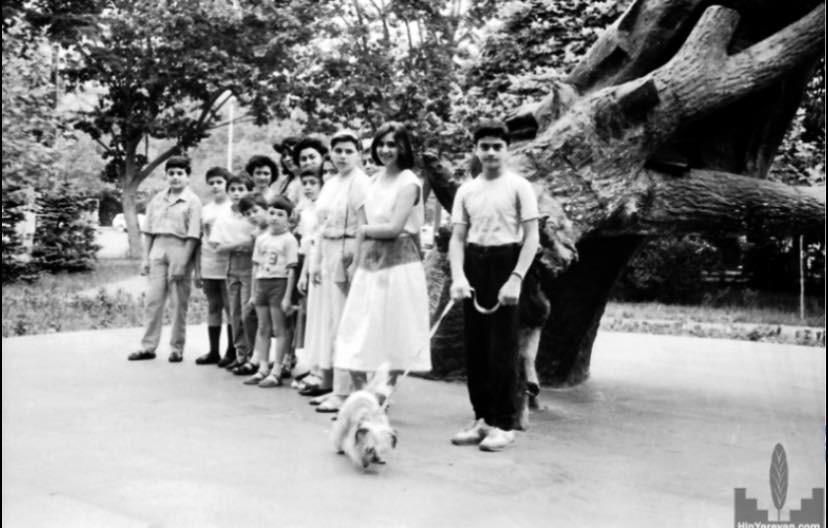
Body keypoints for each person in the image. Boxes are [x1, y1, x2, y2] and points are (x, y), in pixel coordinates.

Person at [448, 120, 540, 452]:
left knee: (503, 349)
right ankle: (482, 419)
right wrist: (459, 276)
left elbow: (532, 237)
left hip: (507, 262)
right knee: (476, 349)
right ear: (476, 150)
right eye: (484, 146)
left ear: (507, 149)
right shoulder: (466, 190)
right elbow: (457, 238)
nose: (490, 153)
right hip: (475, 264)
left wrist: (515, 279)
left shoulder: (519, 186)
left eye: (497, 147)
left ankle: (504, 423)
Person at [335, 122, 431, 388]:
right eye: (382, 144)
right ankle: (361, 392)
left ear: (403, 148)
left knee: (393, 329)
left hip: (399, 262)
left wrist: (364, 231)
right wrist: (355, 261)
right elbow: (363, 221)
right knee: (359, 327)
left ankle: (384, 392)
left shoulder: (409, 181)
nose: (386, 150)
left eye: (392, 144)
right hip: (370, 261)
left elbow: (394, 228)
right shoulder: (374, 180)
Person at [302, 129, 371, 413]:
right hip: (328, 251)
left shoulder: (361, 182)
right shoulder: (330, 183)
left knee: (346, 324)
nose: (342, 156)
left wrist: (356, 261)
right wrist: (316, 262)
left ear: (359, 154)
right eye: (338, 150)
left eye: (348, 151)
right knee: (331, 322)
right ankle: (332, 384)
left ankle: (347, 391)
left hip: (348, 250)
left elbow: (365, 225)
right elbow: (320, 227)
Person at [128, 155, 202, 363]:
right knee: (153, 301)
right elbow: (149, 231)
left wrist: (183, 262)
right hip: (158, 249)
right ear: (166, 176)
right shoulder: (157, 199)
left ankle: (177, 348)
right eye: (171, 173)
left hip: (180, 248)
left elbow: (194, 235)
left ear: (187, 176)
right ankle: (148, 346)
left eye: (180, 173)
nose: (175, 177)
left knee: (178, 303)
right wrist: (145, 258)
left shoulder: (193, 201)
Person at [243, 195, 299, 387]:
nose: (274, 217)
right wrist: (253, 293)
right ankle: (262, 367)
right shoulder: (261, 239)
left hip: (279, 284)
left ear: (289, 218)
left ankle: (277, 370)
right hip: (262, 284)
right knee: (263, 328)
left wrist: (287, 297)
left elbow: (291, 270)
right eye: (272, 213)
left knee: (279, 328)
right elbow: (255, 267)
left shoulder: (289, 240)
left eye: (280, 214)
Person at [209, 174, 257, 371]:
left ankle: (253, 356)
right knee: (234, 312)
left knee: (248, 312)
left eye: (241, 189)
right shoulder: (224, 217)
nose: (237, 194)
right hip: (231, 265)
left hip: (251, 265)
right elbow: (217, 246)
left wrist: (239, 244)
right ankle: (240, 354)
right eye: (233, 190)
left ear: (249, 191)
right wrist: (240, 244)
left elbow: (256, 242)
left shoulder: (254, 215)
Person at [194, 167, 234, 365]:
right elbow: (199, 240)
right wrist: (197, 269)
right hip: (209, 263)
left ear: (227, 184)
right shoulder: (205, 210)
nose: (216, 186)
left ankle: (232, 351)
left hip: (228, 264)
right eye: (211, 183)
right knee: (213, 306)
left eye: (219, 182)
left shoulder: (233, 207)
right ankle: (213, 351)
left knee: (230, 307)